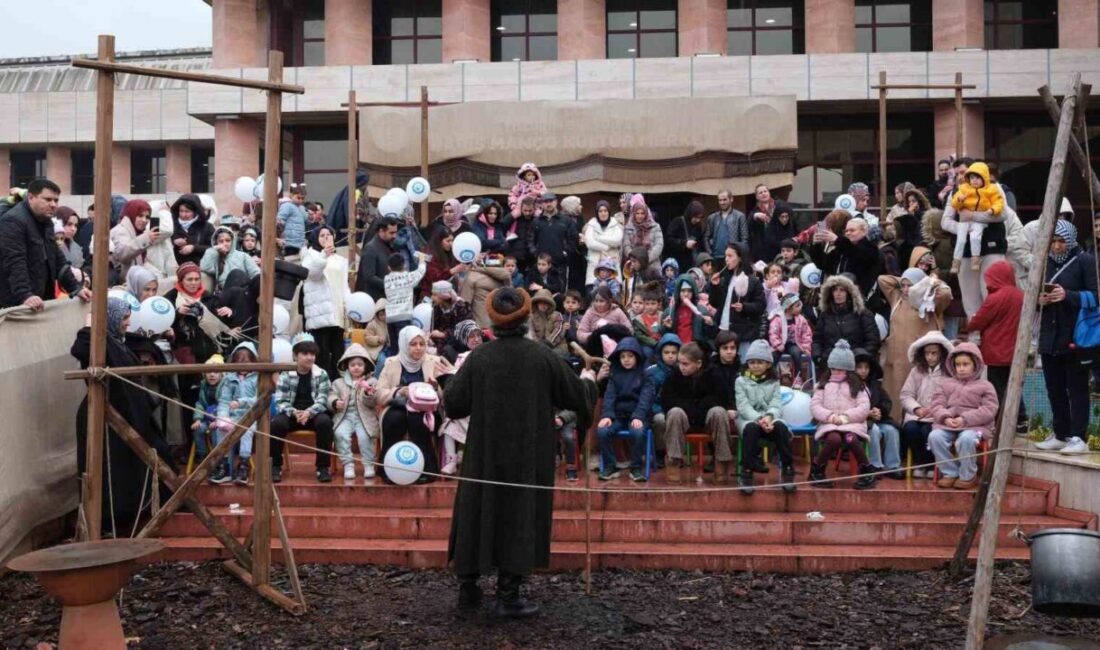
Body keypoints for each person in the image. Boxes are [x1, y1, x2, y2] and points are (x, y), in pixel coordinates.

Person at [444, 287, 594, 617]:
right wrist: (589, 383)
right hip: (529, 455)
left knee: (477, 511)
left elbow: (452, 403)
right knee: (520, 514)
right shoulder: (541, 356)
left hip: (484, 454)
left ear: (494, 321)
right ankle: (508, 595)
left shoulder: (480, 357)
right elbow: (576, 396)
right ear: (526, 317)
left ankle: (468, 591)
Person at [1034, 220, 1098, 454]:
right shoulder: (1045, 262)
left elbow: (1096, 296)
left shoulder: (1085, 261)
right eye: (1053, 241)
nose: (1057, 246)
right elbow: (1034, 293)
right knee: (1054, 388)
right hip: (1050, 335)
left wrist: (1068, 295)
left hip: (1076, 336)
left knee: (1077, 388)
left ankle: (1079, 436)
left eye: (1061, 241)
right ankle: (1061, 433)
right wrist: (1040, 301)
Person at [377, 326, 452, 484]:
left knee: (418, 421)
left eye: (421, 344)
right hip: (398, 406)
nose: (418, 348)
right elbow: (379, 393)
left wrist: (436, 387)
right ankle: (388, 468)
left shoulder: (435, 362)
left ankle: (428, 469)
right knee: (394, 420)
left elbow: (448, 395)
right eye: (413, 344)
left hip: (427, 410)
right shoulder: (391, 363)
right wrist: (398, 391)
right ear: (404, 345)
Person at [0, 179, 89, 309]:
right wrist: (25, 295)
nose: (53, 204)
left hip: (42, 297)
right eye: (47, 199)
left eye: (56, 200)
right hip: (16, 303)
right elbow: (14, 261)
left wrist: (76, 288)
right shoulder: (13, 221)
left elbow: (58, 260)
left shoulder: (46, 221)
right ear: (30, 198)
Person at [877, 267, 952, 420]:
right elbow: (882, 279)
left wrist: (927, 283)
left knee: (917, 398)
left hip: (921, 360)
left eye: (909, 285)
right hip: (897, 360)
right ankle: (897, 429)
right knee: (896, 399)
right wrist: (906, 278)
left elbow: (946, 294)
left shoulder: (930, 301)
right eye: (903, 285)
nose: (905, 289)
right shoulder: (896, 297)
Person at [661, 341, 734, 485]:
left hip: (707, 419)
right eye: (680, 363)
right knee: (674, 412)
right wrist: (689, 409)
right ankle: (673, 461)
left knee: (719, 412)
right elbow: (667, 399)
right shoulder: (674, 374)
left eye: (685, 364)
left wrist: (700, 409)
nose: (681, 367)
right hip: (684, 419)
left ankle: (722, 462)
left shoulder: (714, 373)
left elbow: (722, 398)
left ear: (699, 363)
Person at [928, 343, 999, 490]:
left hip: (977, 427)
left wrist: (965, 419)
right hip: (948, 424)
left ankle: (968, 475)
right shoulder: (945, 384)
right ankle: (950, 473)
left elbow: (990, 409)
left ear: (976, 364)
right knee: (935, 437)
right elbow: (936, 405)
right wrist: (946, 417)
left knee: (966, 438)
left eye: (965, 364)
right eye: (958, 364)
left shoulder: (986, 386)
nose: (961, 368)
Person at [967, 260, 1027, 433]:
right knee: (1014, 386)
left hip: (996, 351)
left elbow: (978, 321)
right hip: (1016, 350)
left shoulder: (996, 297)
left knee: (997, 388)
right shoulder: (1020, 295)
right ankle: (1021, 419)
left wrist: (969, 324)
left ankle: (1002, 423)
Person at [809, 340, 877, 490]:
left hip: (852, 424)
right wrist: (830, 416)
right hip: (830, 424)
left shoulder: (858, 386)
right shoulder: (822, 385)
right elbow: (815, 406)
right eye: (834, 369)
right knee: (833, 438)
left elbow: (864, 407)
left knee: (850, 438)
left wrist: (846, 417)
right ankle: (817, 470)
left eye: (841, 369)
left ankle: (867, 471)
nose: (836, 372)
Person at [271, 333, 335, 483]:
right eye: (305, 353)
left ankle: (323, 467)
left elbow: (323, 400)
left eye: (312, 354)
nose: (309, 357)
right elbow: (280, 401)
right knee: (276, 424)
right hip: (292, 413)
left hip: (313, 413)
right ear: (295, 356)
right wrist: (294, 412)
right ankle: (275, 466)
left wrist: (308, 412)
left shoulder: (322, 374)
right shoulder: (286, 374)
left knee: (325, 423)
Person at [736, 339, 796, 495]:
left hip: (770, 418)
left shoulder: (774, 381)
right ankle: (746, 472)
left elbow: (776, 404)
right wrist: (759, 419)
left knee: (781, 427)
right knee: (751, 428)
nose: (755, 366)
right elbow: (743, 406)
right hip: (749, 419)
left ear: (768, 364)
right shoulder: (740, 381)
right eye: (752, 362)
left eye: (760, 362)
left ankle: (788, 470)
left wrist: (769, 417)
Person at [596, 337, 654, 482]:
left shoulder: (645, 375)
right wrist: (607, 415)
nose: (626, 360)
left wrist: (638, 417)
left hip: (637, 416)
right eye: (622, 356)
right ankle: (610, 466)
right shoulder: (614, 376)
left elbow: (645, 399)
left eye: (630, 356)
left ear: (637, 356)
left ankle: (635, 467)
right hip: (617, 416)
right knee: (602, 431)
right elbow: (609, 397)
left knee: (638, 432)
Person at [899, 331, 954, 479]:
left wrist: (937, 411)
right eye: (927, 353)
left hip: (938, 416)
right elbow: (906, 394)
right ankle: (919, 463)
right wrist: (916, 408)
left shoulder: (949, 373)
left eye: (934, 353)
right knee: (910, 429)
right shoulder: (916, 371)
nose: (930, 357)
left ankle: (930, 465)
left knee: (927, 432)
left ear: (941, 354)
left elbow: (953, 398)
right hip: (916, 415)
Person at [301, 225, 350, 378]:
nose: (326, 238)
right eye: (322, 235)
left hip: (336, 310)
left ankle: (337, 382)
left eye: (329, 235)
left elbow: (344, 284)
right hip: (319, 312)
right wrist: (323, 255)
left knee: (338, 351)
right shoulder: (310, 254)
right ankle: (322, 382)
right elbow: (312, 274)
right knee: (321, 352)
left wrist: (348, 304)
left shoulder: (341, 260)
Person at [213, 341, 261, 485]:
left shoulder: (257, 378)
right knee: (222, 429)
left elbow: (259, 399)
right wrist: (223, 416)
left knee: (245, 431)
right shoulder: (229, 379)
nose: (243, 366)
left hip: (251, 416)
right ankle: (224, 466)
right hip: (233, 416)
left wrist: (241, 402)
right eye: (239, 362)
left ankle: (243, 465)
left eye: (246, 361)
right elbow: (224, 400)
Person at [329, 343, 380, 480]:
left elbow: (373, 402)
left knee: (365, 436)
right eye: (352, 365)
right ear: (346, 366)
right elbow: (331, 396)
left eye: (360, 364)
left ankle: (369, 464)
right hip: (344, 416)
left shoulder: (372, 381)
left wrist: (368, 394)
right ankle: (348, 464)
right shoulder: (338, 382)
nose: (356, 367)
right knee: (340, 434)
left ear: (366, 366)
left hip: (364, 416)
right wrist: (335, 403)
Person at [708, 243, 765, 361]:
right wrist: (714, 286)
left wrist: (744, 307)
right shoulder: (725, 280)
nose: (726, 259)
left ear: (740, 258)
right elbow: (715, 303)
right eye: (725, 256)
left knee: (742, 366)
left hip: (742, 334)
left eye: (730, 256)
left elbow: (761, 305)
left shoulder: (753, 281)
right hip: (723, 329)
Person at [944, 162, 1005, 274]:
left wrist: (973, 216)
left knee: (990, 287)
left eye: (963, 172)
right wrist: (963, 228)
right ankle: (956, 262)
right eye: (957, 174)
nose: (960, 177)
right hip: (965, 251)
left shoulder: (993, 188)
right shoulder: (958, 191)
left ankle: (975, 259)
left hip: (991, 247)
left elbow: (1003, 214)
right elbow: (945, 222)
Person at [200, 226, 261, 335]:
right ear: (216, 242)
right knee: (234, 276)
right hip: (228, 296)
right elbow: (204, 266)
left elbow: (256, 274)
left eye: (228, 240)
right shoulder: (215, 258)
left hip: (245, 293)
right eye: (221, 241)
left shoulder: (242, 256)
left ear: (232, 241)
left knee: (237, 274)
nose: (225, 244)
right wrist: (215, 250)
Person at [854, 348, 904, 480]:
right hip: (858, 422)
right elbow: (848, 406)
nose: (863, 370)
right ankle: (874, 465)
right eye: (859, 367)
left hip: (878, 419)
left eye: (866, 367)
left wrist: (880, 411)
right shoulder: (849, 386)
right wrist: (866, 413)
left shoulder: (875, 385)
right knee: (874, 430)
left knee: (891, 430)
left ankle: (892, 466)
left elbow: (886, 401)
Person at [812, 274, 879, 370]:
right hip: (830, 366)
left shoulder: (863, 313)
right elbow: (817, 339)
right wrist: (818, 357)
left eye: (842, 290)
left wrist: (862, 359)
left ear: (850, 293)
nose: (838, 293)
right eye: (835, 290)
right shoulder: (825, 314)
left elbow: (872, 340)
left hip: (855, 367)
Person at [383, 252, 428, 355]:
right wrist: (422, 260)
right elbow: (421, 271)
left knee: (394, 347)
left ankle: (393, 366)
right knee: (404, 347)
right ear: (404, 265)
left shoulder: (386, 279)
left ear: (389, 268)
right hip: (404, 317)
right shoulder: (407, 277)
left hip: (390, 318)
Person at [577, 285, 632, 358]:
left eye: (602, 301)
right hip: (595, 348)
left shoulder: (617, 312)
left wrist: (613, 336)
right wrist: (595, 335)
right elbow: (580, 334)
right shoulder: (590, 313)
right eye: (596, 301)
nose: (598, 304)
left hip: (616, 347)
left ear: (609, 301)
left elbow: (630, 330)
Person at [768, 293, 812, 381]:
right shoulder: (778, 319)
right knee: (773, 357)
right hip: (780, 345)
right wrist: (777, 344)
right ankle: (771, 377)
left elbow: (806, 334)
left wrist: (806, 346)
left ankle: (797, 377)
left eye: (800, 305)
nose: (800, 308)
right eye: (797, 306)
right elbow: (773, 332)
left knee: (796, 353)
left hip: (794, 344)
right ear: (788, 308)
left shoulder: (801, 319)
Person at [190, 353, 224, 463]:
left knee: (216, 431)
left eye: (215, 372)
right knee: (197, 429)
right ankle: (202, 455)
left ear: (222, 374)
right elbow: (200, 404)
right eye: (209, 372)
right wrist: (198, 419)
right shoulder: (204, 386)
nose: (212, 375)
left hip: (220, 420)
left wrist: (218, 419)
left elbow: (224, 404)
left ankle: (216, 458)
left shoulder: (225, 386)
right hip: (206, 419)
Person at [354, 217, 399, 299]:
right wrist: (390, 285)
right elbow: (369, 277)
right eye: (391, 233)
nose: (394, 236)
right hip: (377, 299)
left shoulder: (389, 245)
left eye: (395, 232)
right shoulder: (371, 248)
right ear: (381, 231)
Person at [662, 273, 712, 345]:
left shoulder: (702, 311)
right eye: (683, 291)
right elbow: (663, 335)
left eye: (689, 291)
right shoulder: (669, 312)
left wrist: (710, 324)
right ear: (678, 292)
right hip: (676, 348)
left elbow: (709, 335)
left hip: (694, 349)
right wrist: (666, 327)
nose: (686, 294)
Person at [430, 281, 474, 362]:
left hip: (458, 348)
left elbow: (465, 330)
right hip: (441, 345)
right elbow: (434, 327)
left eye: (435, 295)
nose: (432, 297)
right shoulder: (436, 308)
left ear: (444, 296)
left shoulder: (462, 308)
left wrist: (444, 334)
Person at [582, 200, 623, 286]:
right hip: (595, 264)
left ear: (609, 212)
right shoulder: (591, 225)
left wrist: (598, 238)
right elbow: (590, 243)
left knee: (613, 294)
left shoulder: (615, 224)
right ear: (597, 213)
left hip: (612, 263)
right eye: (600, 211)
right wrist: (607, 247)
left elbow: (617, 240)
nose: (603, 213)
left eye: (605, 211)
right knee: (594, 295)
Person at [621, 194, 664, 275]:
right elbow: (626, 246)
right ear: (633, 213)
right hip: (634, 267)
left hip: (652, 266)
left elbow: (659, 245)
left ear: (646, 214)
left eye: (642, 213)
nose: (640, 216)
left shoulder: (655, 226)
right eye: (637, 213)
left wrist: (645, 259)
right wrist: (635, 260)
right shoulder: (628, 228)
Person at [748, 184, 791, 263]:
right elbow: (749, 225)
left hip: (780, 247)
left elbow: (790, 224)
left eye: (765, 191)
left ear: (769, 193)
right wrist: (755, 216)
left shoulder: (781, 205)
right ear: (757, 197)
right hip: (763, 251)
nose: (763, 193)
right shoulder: (755, 210)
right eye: (760, 193)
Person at [170, 193, 215, 267]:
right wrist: (174, 241)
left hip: (200, 269)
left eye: (187, 211)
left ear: (195, 212)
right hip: (176, 268)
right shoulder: (171, 225)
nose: (183, 214)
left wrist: (194, 248)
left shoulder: (207, 227)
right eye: (181, 211)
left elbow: (214, 248)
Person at [665, 200, 708, 272]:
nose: (698, 220)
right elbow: (669, 240)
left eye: (700, 218)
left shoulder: (698, 227)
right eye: (696, 217)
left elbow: (701, 243)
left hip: (693, 264)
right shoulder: (678, 222)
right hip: (679, 264)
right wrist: (684, 243)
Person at [705, 189, 748, 257]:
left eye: (725, 199)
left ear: (731, 199)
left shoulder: (739, 216)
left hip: (733, 256)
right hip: (716, 256)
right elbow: (706, 237)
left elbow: (744, 238)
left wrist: (739, 254)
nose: (722, 202)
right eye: (720, 200)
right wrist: (709, 253)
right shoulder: (712, 218)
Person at [505, 196, 539, 275]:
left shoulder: (537, 220)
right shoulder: (515, 218)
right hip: (516, 254)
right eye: (525, 210)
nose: (527, 213)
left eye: (530, 211)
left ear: (534, 209)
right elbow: (502, 225)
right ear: (521, 209)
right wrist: (511, 216)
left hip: (532, 255)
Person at [527, 288, 566, 353]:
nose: (544, 305)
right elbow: (531, 334)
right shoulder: (530, 317)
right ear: (536, 303)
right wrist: (539, 346)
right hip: (537, 348)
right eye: (541, 302)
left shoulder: (557, 315)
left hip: (557, 347)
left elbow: (558, 332)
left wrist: (547, 345)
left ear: (550, 304)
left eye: (546, 303)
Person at [277, 184, 309, 256]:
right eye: (298, 197)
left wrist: (311, 217)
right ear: (291, 195)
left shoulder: (301, 208)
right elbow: (280, 220)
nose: (300, 200)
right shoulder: (287, 205)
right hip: (289, 241)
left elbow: (306, 220)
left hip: (299, 242)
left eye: (303, 198)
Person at [55, 207, 85, 272]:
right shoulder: (49, 245)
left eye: (76, 225)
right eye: (69, 224)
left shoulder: (76, 246)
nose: (73, 229)